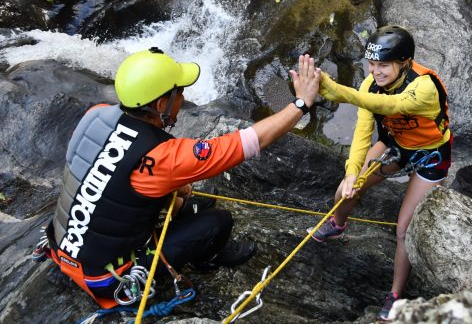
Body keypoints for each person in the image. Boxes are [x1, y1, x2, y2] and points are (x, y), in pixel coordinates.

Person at [36, 47, 320, 309]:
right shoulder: (163, 157)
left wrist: (172, 188)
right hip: (109, 281)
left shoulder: (95, 115)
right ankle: (207, 260)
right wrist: (301, 104)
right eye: (179, 92)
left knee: (190, 200)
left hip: (63, 248)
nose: (182, 98)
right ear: (161, 104)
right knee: (218, 220)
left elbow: (104, 173)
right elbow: (247, 142)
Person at [307, 25, 451, 321]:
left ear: (405, 63)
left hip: (430, 155)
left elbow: (392, 104)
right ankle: (338, 224)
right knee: (344, 190)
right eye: (372, 64)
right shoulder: (368, 86)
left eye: (383, 65)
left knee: (403, 230)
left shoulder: (424, 86)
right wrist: (351, 174)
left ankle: (395, 295)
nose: (376, 72)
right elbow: (362, 134)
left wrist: (336, 91)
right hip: (396, 144)